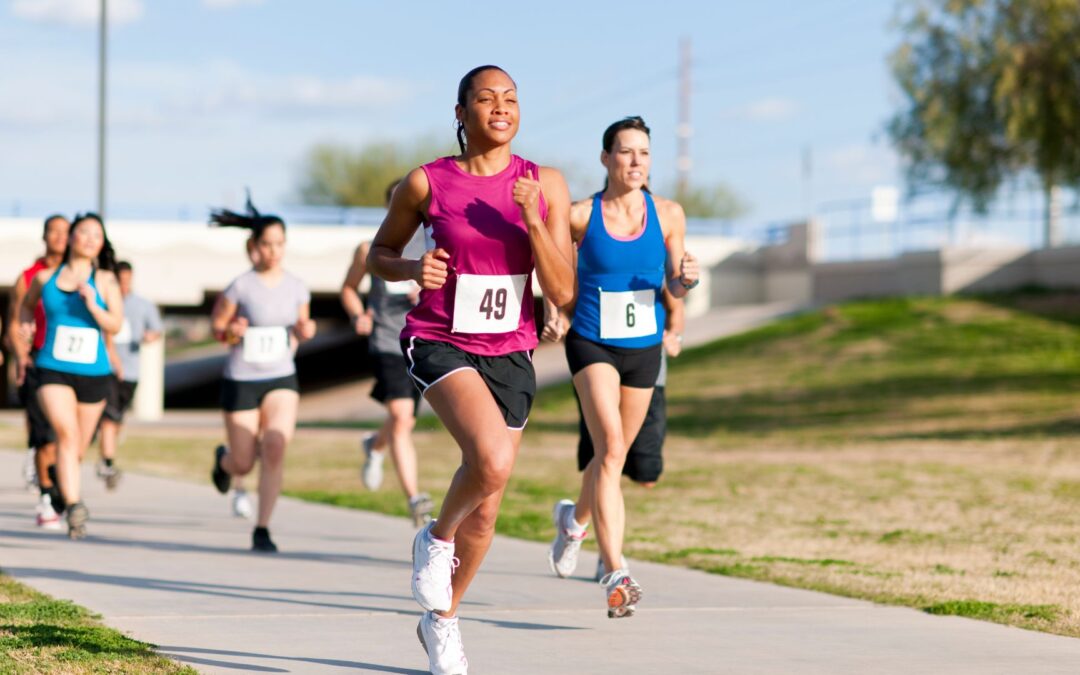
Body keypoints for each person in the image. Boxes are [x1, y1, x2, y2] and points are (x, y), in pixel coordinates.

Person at [367, 65, 573, 675]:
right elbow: (380, 254)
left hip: (511, 349)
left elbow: (562, 289)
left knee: (487, 507)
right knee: (493, 459)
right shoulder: (427, 181)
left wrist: (532, 219)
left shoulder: (545, 183)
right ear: (461, 113)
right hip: (440, 338)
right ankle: (434, 539)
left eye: (511, 98)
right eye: (486, 99)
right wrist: (412, 269)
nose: (501, 107)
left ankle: (443, 620)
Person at [546, 116, 699, 618]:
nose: (637, 161)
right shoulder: (579, 215)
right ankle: (616, 571)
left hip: (644, 347)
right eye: (627, 151)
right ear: (606, 158)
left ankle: (573, 520)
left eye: (644, 153)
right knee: (610, 448)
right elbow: (552, 268)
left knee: (611, 457)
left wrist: (686, 280)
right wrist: (554, 309)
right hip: (592, 342)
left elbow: (674, 285)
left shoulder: (669, 214)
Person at [545, 287, 684, 580]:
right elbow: (565, 294)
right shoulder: (591, 257)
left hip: (646, 370)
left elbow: (676, 306)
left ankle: (573, 521)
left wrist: (675, 335)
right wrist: (561, 321)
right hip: (596, 360)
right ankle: (610, 555)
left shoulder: (658, 260)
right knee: (610, 454)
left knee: (643, 472)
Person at [208, 197, 316, 552]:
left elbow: (302, 326)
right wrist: (231, 331)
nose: (274, 251)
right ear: (255, 246)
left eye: (279, 244)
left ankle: (262, 528)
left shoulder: (297, 286)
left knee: (274, 446)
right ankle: (224, 462)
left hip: (281, 376)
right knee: (243, 462)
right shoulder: (240, 286)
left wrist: (306, 330)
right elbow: (217, 328)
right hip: (241, 378)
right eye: (267, 244)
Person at [15, 213, 123, 539]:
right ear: (72, 237)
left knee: (76, 450)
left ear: (101, 244)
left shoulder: (106, 280)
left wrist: (94, 306)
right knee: (66, 434)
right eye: (84, 232)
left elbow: (116, 325)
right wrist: (25, 322)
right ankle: (74, 506)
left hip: (94, 374)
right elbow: (25, 305)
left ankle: (59, 482)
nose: (90, 239)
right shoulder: (44, 278)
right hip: (52, 368)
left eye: (97, 235)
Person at [341, 179, 432, 526]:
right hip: (386, 340)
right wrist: (358, 315)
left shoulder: (433, 246)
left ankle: (375, 445)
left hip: (421, 342)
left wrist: (425, 291)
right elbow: (349, 289)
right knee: (402, 416)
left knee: (402, 420)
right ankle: (414, 498)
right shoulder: (371, 248)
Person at [7, 214, 70, 529]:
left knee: (70, 437)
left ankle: (61, 484)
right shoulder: (30, 277)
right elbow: (15, 322)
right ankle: (47, 497)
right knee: (45, 435)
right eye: (53, 231)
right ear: (44, 237)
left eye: (65, 232)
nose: (59, 237)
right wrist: (21, 356)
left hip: (75, 365)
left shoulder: (82, 275)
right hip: (40, 362)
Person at [94, 260, 163, 489]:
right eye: (120, 281)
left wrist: (150, 336)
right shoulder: (102, 302)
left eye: (127, 280)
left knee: (116, 420)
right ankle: (108, 463)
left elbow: (156, 330)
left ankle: (105, 452)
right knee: (109, 418)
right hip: (105, 368)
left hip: (131, 370)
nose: (124, 285)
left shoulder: (143, 305)